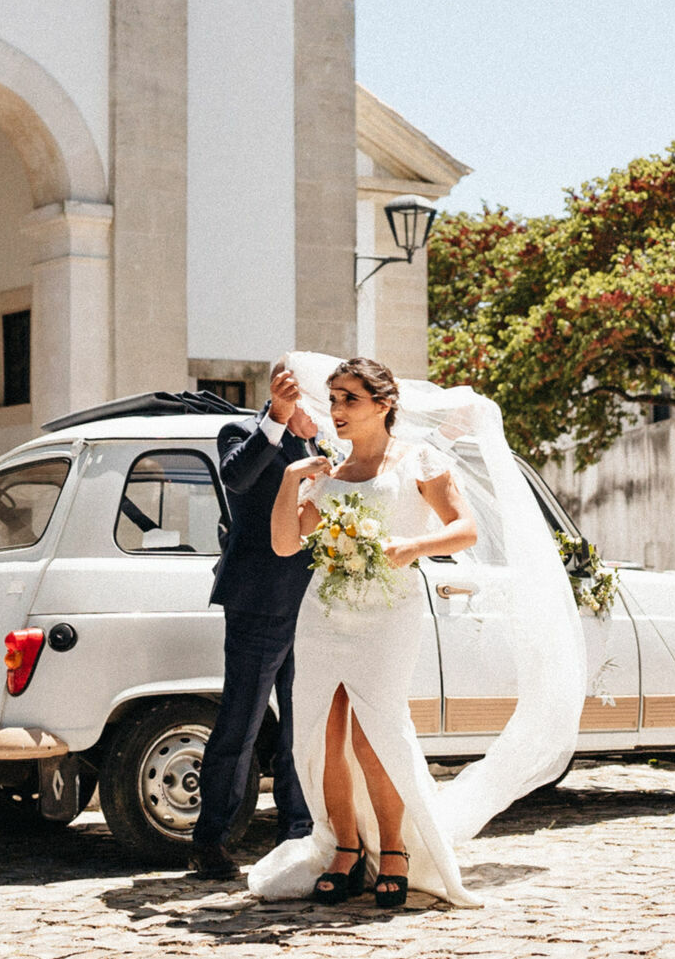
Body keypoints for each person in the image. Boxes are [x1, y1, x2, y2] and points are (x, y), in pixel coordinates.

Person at [246, 354, 585, 909]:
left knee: (374, 733)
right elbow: (286, 544)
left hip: (388, 614)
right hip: (325, 617)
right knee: (321, 735)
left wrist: (413, 547)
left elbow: (464, 530)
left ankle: (398, 850)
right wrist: (290, 479)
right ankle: (345, 849)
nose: (336, 411)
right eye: (332, 400)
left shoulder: (419, 460)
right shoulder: (325, 467)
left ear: (383, 405)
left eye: (349, 399)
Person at [185, 363, 320, 879]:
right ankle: (211, 839)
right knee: (241, 720)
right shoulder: (241, 431)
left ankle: (298, 834)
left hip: (311, 602)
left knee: (301, 721)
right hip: (259, 599)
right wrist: (276, 421)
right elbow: (237, 478)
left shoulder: (325, 445)